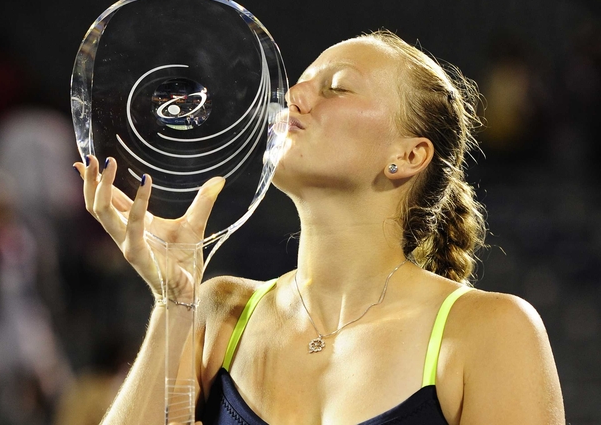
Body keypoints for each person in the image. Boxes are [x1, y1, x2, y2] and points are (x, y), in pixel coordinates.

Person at [73, 30, 565, 424]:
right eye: (300, 83)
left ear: (408, 155)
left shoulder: (490, 331)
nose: (293, 97)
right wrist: (173, 300)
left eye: (337, 87)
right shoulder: (218, 313)